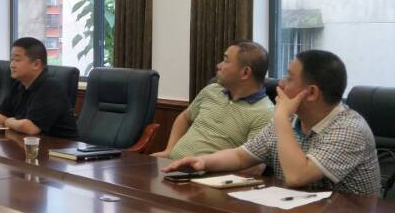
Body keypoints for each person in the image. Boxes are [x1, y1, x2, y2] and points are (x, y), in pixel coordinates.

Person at [163, 50, 381, 196]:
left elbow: (297, 176)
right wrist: (203, 161)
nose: (280, 83)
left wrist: (281, 119)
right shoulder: (291, 119)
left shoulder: (349, 128)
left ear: (312, 92)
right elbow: (241, 156)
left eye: (289, 77)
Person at [151, 41, 274, 159]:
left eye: (226, 61)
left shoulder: (265, 114)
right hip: (171, 164)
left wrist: (206, 166)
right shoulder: (212, 90)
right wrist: (169, 150)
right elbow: (185, 118)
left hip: (205, 172)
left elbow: (254, 167)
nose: (218, 66)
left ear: (245, 72)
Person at [0, 37, 78, 138]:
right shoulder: (19, 84)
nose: (12, 65)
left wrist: (8, 121)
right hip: (32, 145)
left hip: (61, 151)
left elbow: (30, 128)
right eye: (11, 60)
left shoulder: (50, 87)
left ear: (36, 64)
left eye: (17, 60)